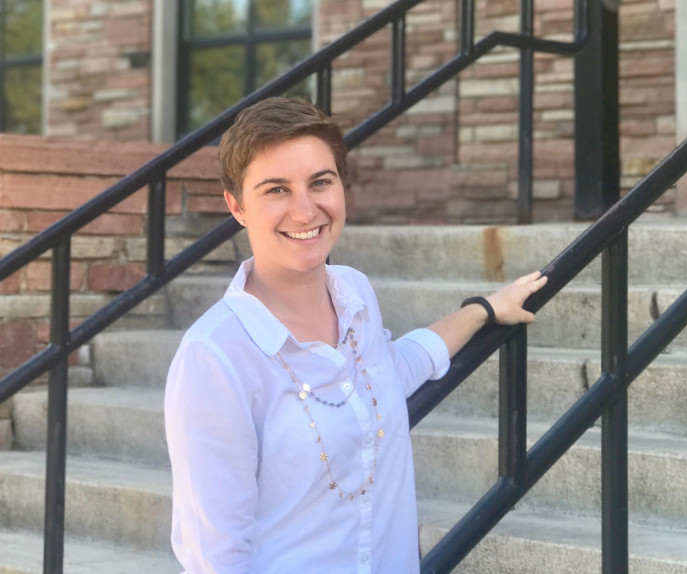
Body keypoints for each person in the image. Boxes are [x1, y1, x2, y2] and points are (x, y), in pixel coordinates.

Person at [164, 97, 547, 573]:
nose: (305, 210)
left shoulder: (354, 294)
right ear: (237, 206)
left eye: (320, 182)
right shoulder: (215, 357)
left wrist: (484, 310)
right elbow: (215, 557)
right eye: (276, 189)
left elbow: (390, 371)